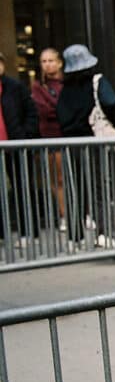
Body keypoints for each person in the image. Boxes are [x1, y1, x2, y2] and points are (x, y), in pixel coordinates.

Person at [56, 44, 115, 247]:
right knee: (102, 187)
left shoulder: (65, 90)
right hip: (95, 141)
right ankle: (105, 234)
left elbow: (61, 116)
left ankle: (76, 237)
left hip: (72, 143)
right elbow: (110, 103)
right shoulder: (97, 81)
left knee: (75, 189)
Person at [1, 50, 40, 246]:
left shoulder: (15, 87)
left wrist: (25, 136)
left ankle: (28, 232)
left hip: (15, 145)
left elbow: (31, 113)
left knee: (23, 189)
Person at [30, 47, 66, 230]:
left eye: (51, 60)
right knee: (57, 179)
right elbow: (45, 109)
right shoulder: (38, 87)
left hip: (69, 135)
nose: (47, 64)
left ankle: (83, 214)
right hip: (50, 136)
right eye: (44, 61)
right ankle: (64, 215)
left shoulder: (67, 84)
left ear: (59, 62)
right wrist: (61, 108)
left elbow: (65, 107)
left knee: (74, 178)